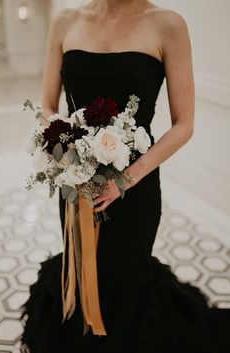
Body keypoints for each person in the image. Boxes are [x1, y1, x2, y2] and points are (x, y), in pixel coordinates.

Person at [19, 1, 230, 352]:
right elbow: (47, 106)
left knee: (128, 276)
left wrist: (124, 180)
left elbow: (184, 125)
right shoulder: (66, 21)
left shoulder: (168, 25)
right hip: (76, 183)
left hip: (136, 189)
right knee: (82, 269)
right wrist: (70, 155)